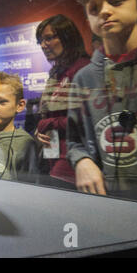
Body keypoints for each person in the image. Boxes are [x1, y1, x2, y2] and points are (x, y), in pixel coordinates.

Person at [67, 0, 137, 200]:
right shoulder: (83, 78)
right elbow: (75, 141)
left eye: (116, 1)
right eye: (93, 8)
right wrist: (82, 161)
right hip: (108, 200)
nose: (104, 11)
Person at [34, 15, 90, 189]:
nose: (44, 45)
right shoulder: (56, 73)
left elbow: (87, 119)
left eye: (49, 38)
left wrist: (48, 123)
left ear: (67, 37)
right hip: (54, 155)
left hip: (77, 158)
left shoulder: (83, 69)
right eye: (40, 41)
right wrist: (40, 131)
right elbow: (50, 115)